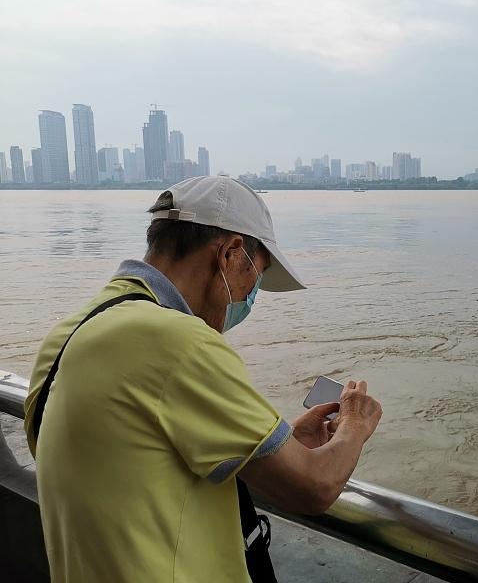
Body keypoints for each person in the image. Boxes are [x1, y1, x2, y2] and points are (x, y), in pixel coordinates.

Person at [23, 175, 382, 582]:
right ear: (230, 253)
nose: (250, 297)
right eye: (257, 278)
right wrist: (355, 424)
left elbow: (130, 464)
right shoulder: (179, 342)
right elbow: (314, 488)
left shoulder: (72, 331)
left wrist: (283, 445)